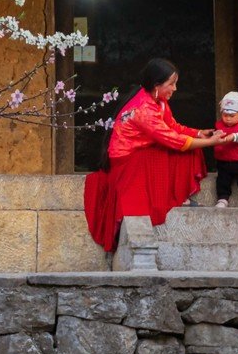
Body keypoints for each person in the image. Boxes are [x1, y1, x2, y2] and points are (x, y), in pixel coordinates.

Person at [83, 58, 226, 253]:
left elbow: (173, 127)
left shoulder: (158, 100)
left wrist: (200, 133)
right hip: (128, 160)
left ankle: (179, 194)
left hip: (140, 151)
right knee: (181, 149)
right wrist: (211, 142)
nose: (175, 88)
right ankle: (174, 194)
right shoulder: (144, 109)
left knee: (190, 147)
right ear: (157, 85)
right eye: (171, 84)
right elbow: (173, 140)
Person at [211, 91, 238, 206]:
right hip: (224, 161)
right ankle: (223, 199)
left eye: (232, 116)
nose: (228, 119)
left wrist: (233, 137)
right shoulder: (219, 125)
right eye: (225, 115)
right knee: (222, 180)